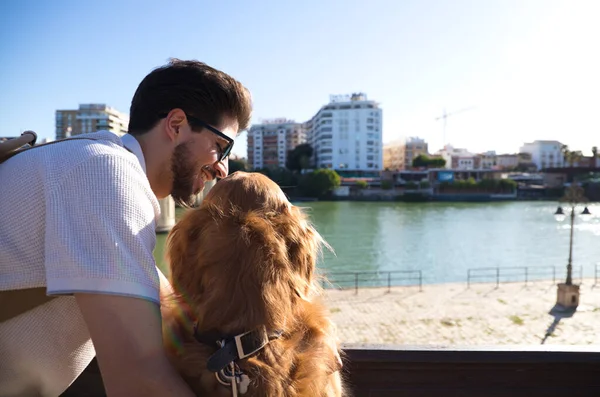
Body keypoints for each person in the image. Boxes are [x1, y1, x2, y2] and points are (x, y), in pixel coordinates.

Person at [0, 59, 252, 396]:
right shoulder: (105, 173)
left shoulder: (97, 163)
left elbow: (172, 314)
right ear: (176, 124)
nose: (223, 169)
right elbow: (138, 378)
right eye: (221, 147)